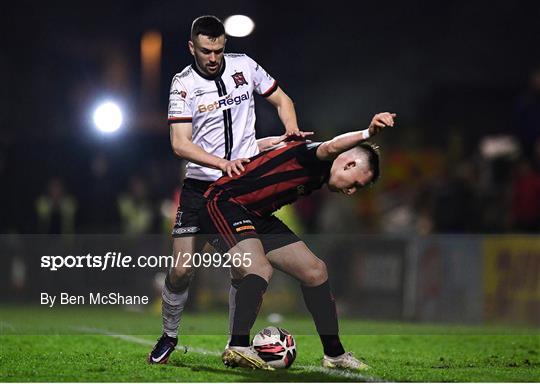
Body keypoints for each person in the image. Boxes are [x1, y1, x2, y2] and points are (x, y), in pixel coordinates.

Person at [148, 15, 308, 364]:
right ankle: (169, 335)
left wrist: (291, 131)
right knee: (181, 270)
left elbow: (283, 100)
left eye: (219, 49)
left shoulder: (244, 66)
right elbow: (179, 143)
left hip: (238, 189)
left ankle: (238, 343)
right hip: (199, 188)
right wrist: (221, 163)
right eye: (206, 50)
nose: (213, 57)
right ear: (192, 47)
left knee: (243, 268)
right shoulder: (183, 85)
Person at [200, 112, 396, 370]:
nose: (351, 191)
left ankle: (334, 355)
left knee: (315, 271)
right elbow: (331, 145)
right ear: (347, 164)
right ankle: (237, 346)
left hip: (257, 215)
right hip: (225, 203)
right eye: (355, 184)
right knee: (257, 269)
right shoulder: (316, 155)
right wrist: (368, 133)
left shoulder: (319, 176)